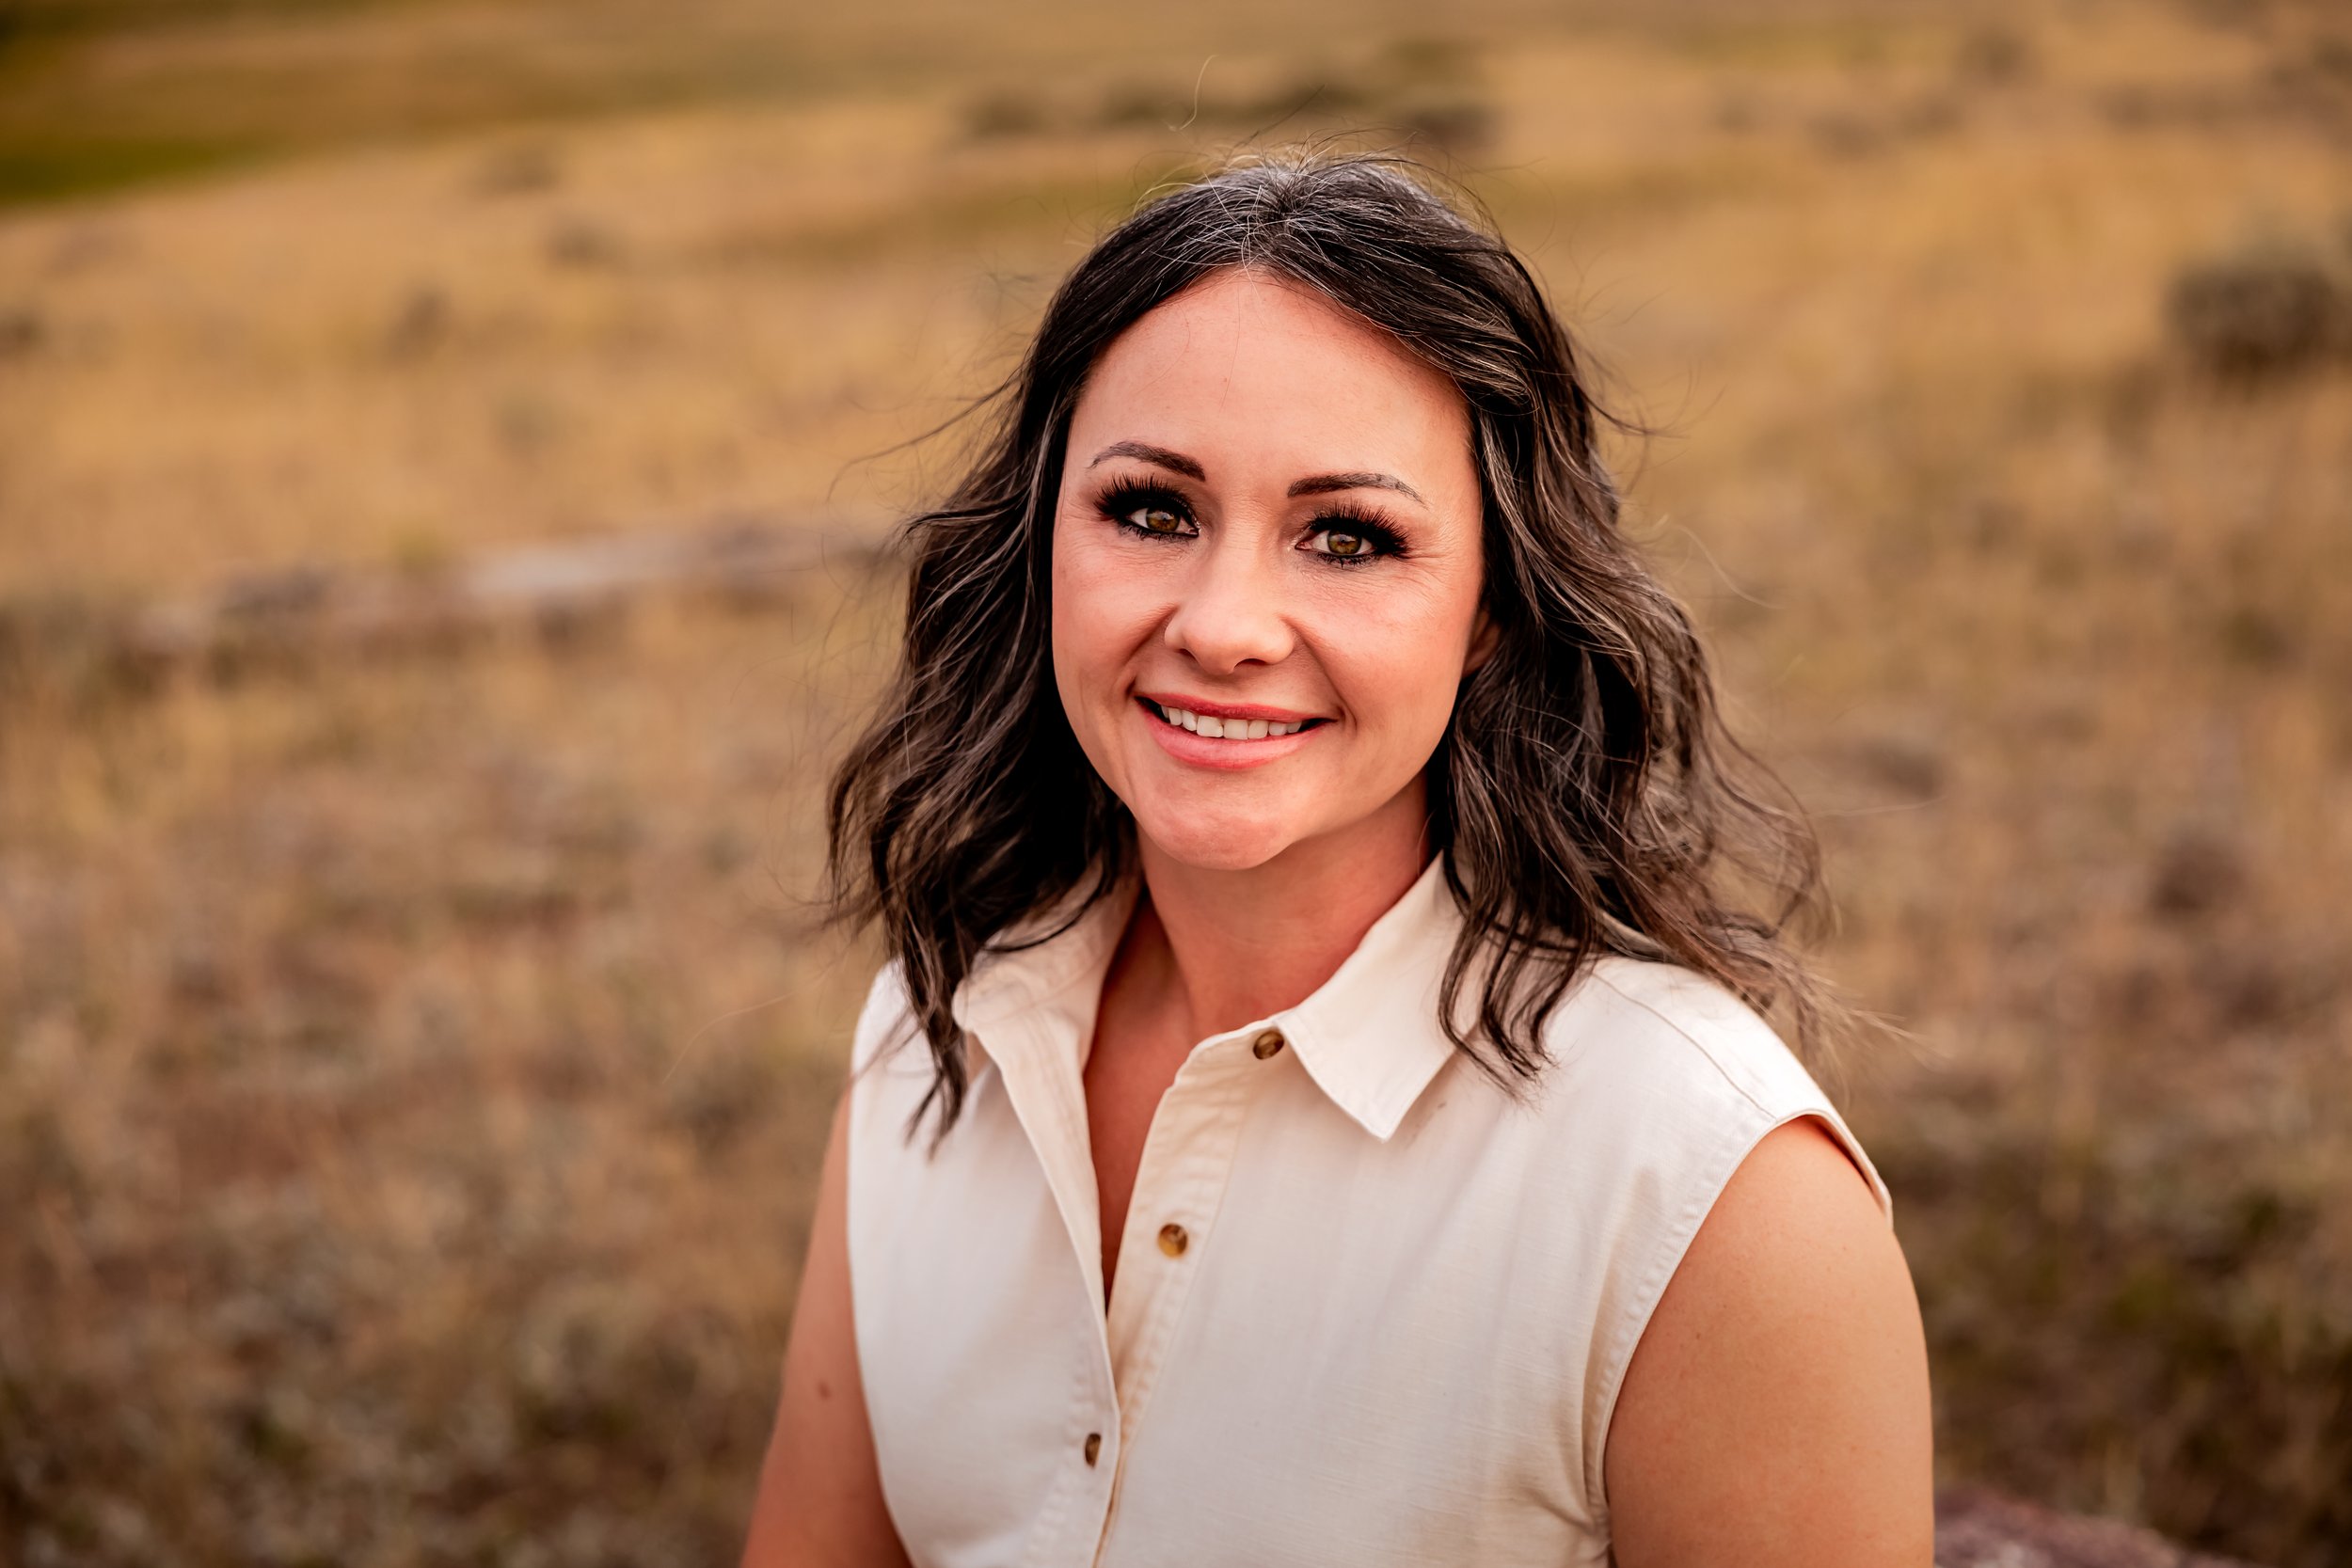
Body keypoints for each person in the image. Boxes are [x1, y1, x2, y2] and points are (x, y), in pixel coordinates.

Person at [740, 151, 1932, 1567]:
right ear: (1039, 540)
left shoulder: (1711, 1200)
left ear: (1493, 609)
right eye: (1151, 510)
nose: (1227, 623)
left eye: (1350, 538)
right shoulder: (929, 1034)